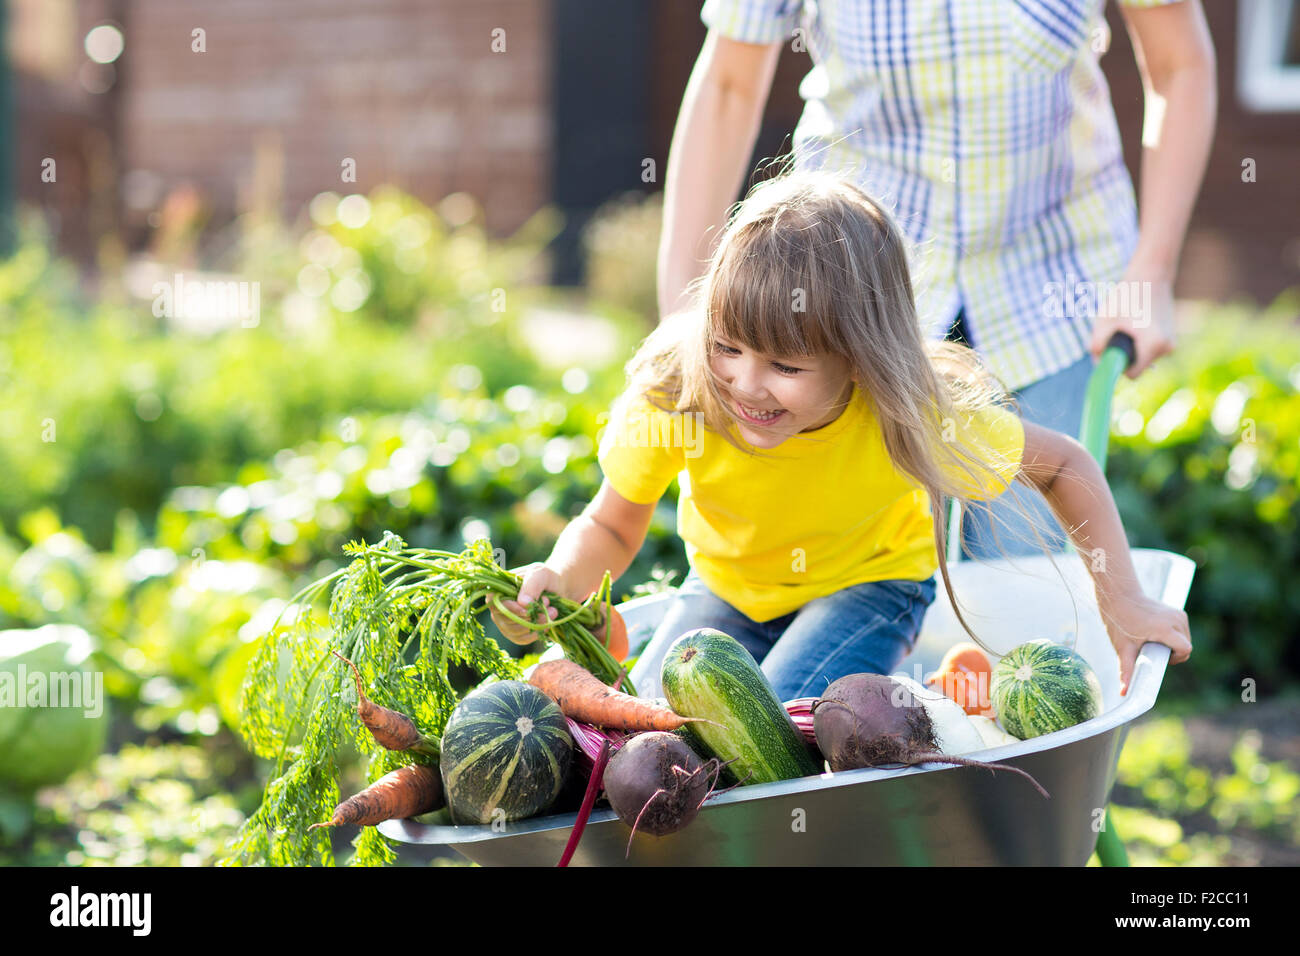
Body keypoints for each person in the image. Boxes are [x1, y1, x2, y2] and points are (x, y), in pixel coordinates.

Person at [492, 170, 1190, 702]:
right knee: (647, 726)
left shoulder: (905, 408)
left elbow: (1063, 465)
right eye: (728, 346)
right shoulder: (682, 391)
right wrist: (561, 578)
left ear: (858, 359)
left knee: (765, 732)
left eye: (786, 365)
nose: (746, 383)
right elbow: (613, 527)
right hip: (730, 588)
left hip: (869, 587)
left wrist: (1121, 599)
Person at [656, 0, 1216, 561]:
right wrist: (683, 308)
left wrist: (1152, 272)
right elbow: (729, 84)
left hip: (1051, 280)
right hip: (849, 296)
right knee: (851, 571)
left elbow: (1178, 65)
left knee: (1021, 584)